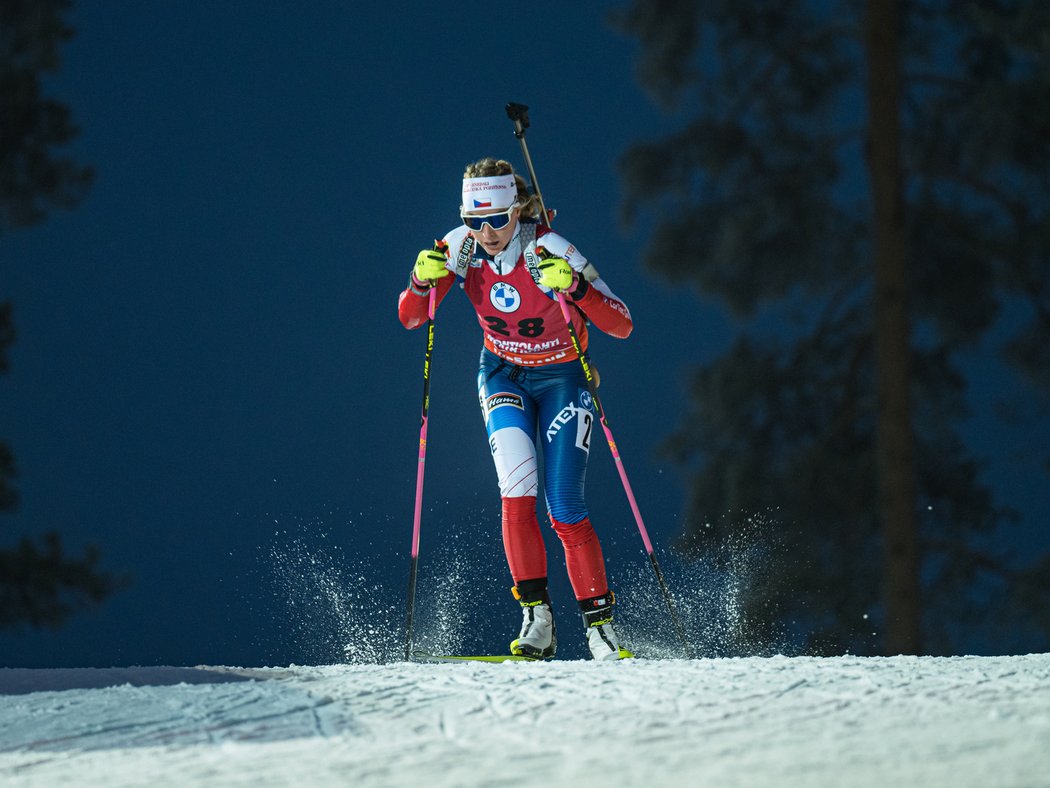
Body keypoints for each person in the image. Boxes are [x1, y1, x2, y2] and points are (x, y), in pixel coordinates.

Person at [397, 157, 634, 661]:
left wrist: (575, 287)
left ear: (519, 209)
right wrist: (420, 281)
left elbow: (621, 324)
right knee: (516, 492)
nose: (485, 233)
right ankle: (537, 620)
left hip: (563, 377)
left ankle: (600, 629)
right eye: (473, 221)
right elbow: (412, 318)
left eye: (497, 220)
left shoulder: (548, 248)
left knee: (565, 506)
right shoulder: (460, 248)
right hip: (502, 375)